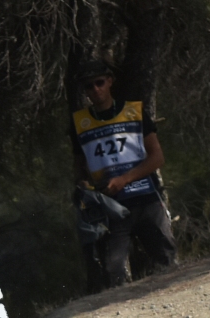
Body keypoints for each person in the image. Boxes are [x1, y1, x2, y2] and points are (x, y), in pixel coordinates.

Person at [70, 59, 177, 288]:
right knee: (113, 270)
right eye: (89, 86)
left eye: (99, 82)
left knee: (166, 260)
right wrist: (82, 184)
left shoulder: (134, 112)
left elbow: (157, 157)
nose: (95, 89)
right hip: (111, 208)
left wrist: (125, 179)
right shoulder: (79, 123)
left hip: (146, 199)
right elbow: (79, 166)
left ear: (110, 82)